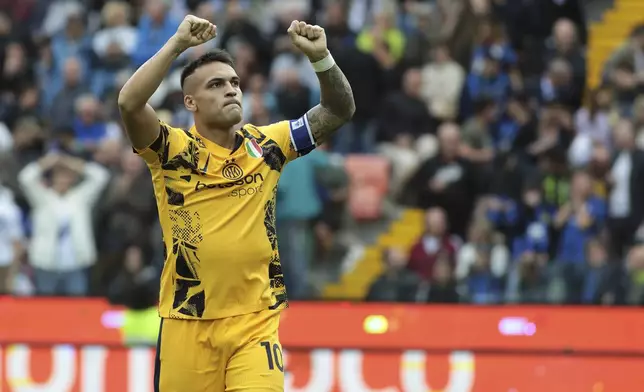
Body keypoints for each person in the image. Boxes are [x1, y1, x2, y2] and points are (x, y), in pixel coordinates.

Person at [117, 15, 355, 392]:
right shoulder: (172, 151)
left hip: (255, 321)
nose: (231, 90)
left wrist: (322, 59)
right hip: (188, 321)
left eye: (234, 83)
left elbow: (338, 111)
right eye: (216, 84)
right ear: (190, 101)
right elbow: (130, 103)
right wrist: (177, 45)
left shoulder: (267, 145)